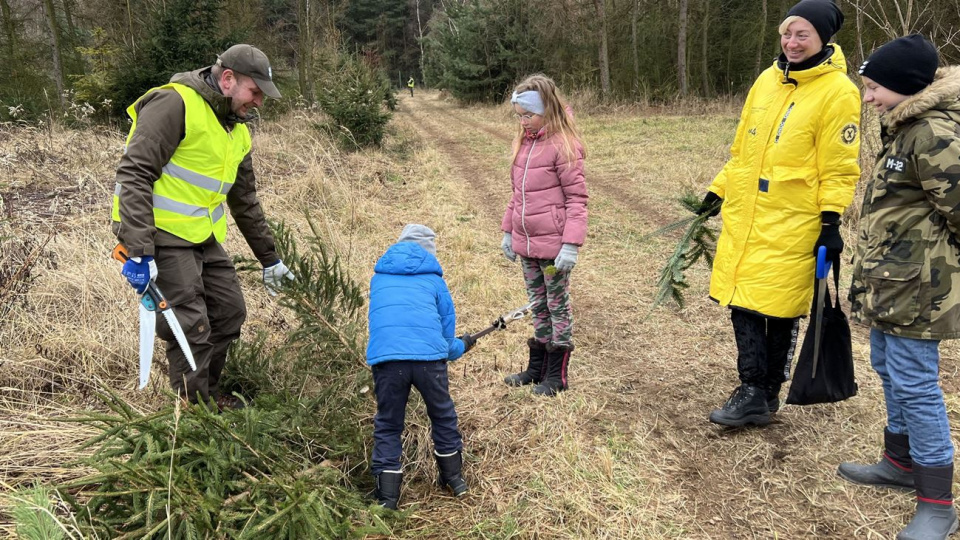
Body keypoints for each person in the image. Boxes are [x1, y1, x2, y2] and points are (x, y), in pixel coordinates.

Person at [699, 0, 861, 427]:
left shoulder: (838, 92)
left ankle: (763, 390)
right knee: (743, 302)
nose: (791, 42)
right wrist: (718, 189)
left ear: (824, 38)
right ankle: (755, 389)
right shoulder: (766, 81)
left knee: (777, 307)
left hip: (795, 220)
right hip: (747, 213)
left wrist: (831, 222)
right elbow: (742, 151)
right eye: (787, 33)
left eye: (802, 34)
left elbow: (840, 166)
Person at [112, 44, 294, 409]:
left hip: (201, 237)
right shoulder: (174, 104)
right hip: (158, 236)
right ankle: (194, 414)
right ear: (228, 80)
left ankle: (204, 394)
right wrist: (139, 251)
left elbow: (244, 201)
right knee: (191, 326)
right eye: (254, 92)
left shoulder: (236, 131)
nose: (258, 102)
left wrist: (270, 258)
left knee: (228, 312)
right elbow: (133, 174)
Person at [838, 35, 960, 540]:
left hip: (918, 288)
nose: (867, 98)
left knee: (916, 383)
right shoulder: (903, 125)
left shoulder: (933, 131)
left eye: (873, 88)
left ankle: (938, 501)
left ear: (907, 86)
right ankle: (899, 462)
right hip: (891, 284)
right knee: (888, 366)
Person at [366, 224, 475, 510]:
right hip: (429, 362)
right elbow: (446, 338)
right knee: (442, 415)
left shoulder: (379, 278)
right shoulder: (434, 281)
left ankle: (387, 497)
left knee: (388, 424)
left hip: (387, 361)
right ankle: (454, 479)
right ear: (429, 252)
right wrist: (462, 346)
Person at [500, 74, 588, 397]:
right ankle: (536, 368)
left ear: (546, 110)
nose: (523, 122)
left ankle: (557, 374)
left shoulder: (564, 146)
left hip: (554, 248)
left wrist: (571, 243)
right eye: (519, 116)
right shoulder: (524, 144)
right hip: (527, 247)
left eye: (528, 115)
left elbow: (577, 199)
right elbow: (516, 196)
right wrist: (508, 231)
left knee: (556, 305)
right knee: (538, 304)